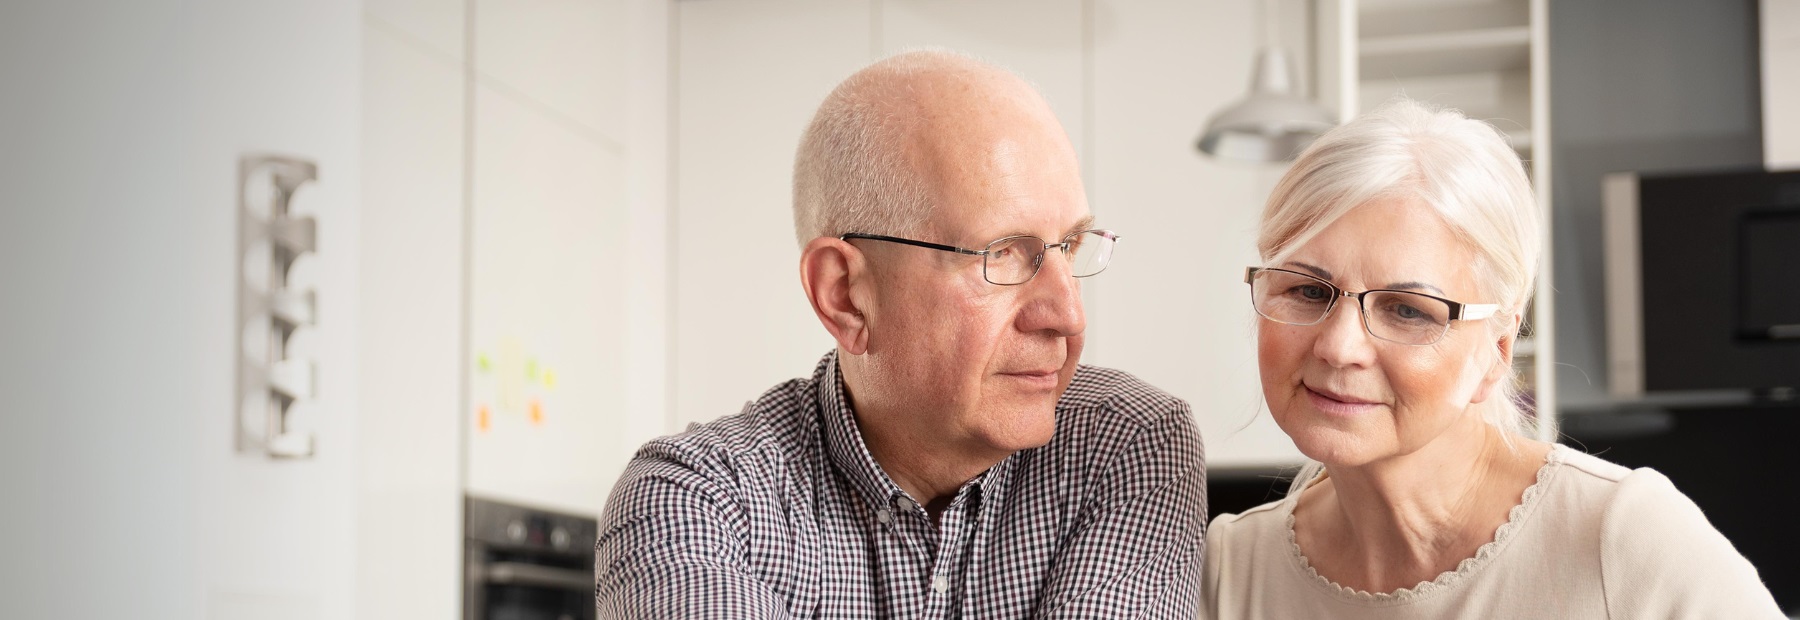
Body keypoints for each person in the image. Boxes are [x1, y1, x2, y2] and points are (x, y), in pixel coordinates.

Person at [595, 50, 1208, 619]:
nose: (1068, 316)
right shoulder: (694, 501)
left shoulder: (1129, 446)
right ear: (846, 297)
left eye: (1070, 246)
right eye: (1002, 254)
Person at [1199, 98, 1784, 618]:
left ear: (1497, 349)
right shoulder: (1229, 572)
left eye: (1408, 310)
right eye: (1305, 290)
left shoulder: (1622, 538)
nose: (1339, 347)